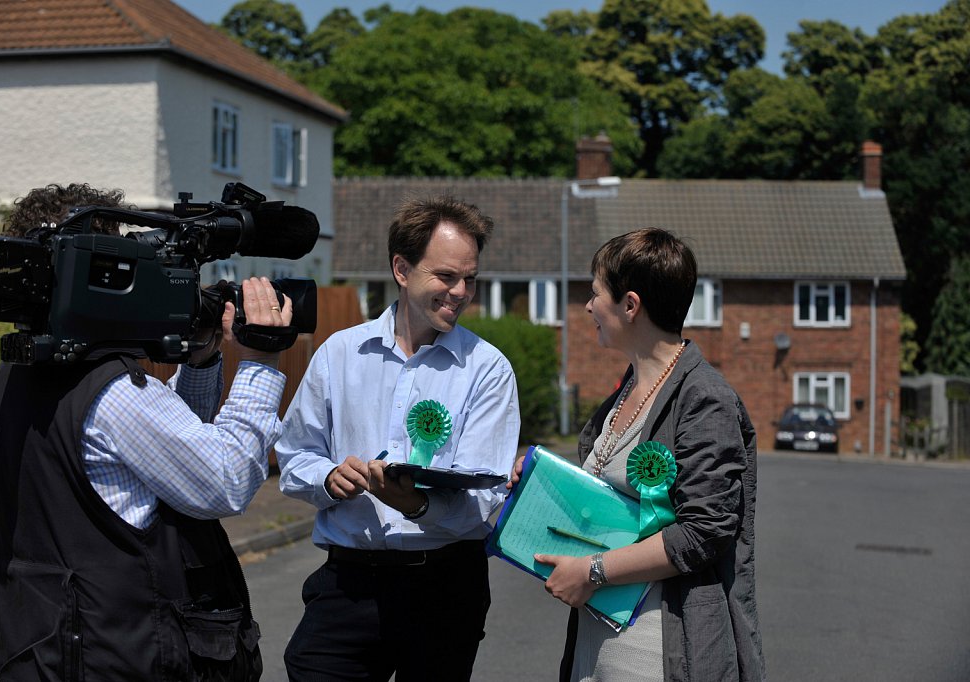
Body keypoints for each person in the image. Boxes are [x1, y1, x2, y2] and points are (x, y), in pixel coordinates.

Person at [0, 183, 292, 680]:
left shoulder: (20, 371)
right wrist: (260, 361)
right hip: (120, 654)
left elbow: (161, 465)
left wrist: (201, 360)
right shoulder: (112, 389)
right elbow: (224, 480)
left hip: (44, 647)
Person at [276, 195, 521, 681]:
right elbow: (294, 455)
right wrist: (328, 477)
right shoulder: (339, 353)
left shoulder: (488, 370)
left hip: (445, 587)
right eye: (446, 276)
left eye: (469, 278)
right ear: (402, 269)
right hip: (348, 583)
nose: (460, 291)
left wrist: (415, 506)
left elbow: (487, 495)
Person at [511, 227, 764, 681]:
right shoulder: (627, 388)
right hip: (596, 641)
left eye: (595, 294)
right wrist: (537, 479)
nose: (588, 307)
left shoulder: (705, 398)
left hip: (657, 649)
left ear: (630, 305)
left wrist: (593, 571)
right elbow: (612, 501)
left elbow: (705, 531)